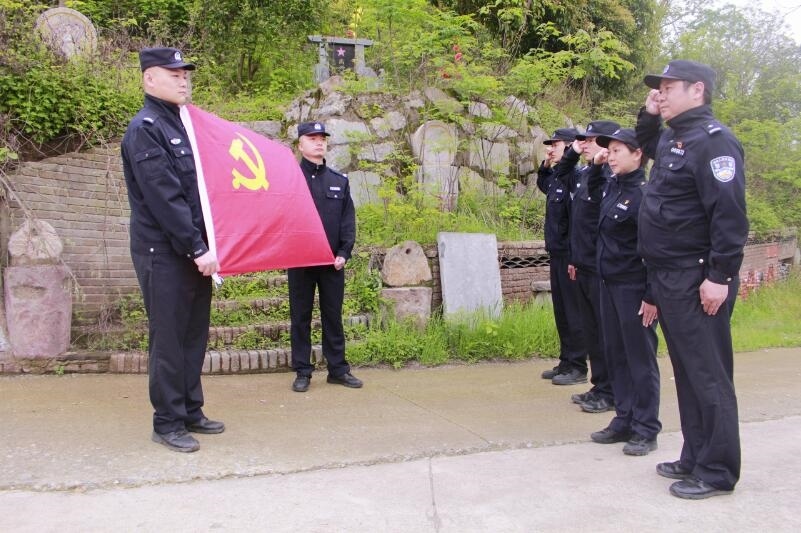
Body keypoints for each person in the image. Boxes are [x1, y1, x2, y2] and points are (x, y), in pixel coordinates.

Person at [637, 60, 748, 499]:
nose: (660, 94)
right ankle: (695, 455)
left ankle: (717, 470)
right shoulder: (675, 138)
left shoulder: (715, 143)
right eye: (658, 89)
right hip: (668, 275)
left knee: (708, 374)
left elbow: (729, 216)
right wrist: (648, 115)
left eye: (668, 88)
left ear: (697, 90)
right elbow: (647, 145)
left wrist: (720, 275)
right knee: (686, 372)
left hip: (698, 276)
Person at [121, 47, 224, 453]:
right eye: (174, 74)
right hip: (163, 251)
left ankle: (189, 410)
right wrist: (197, 246)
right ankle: (166, 422)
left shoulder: (182, 125)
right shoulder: (145, 129)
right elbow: (165, 197)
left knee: (193, 334)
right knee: (168, 337)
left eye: (185, 74)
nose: (184, 80)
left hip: (190, 250)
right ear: (150, 79)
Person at [585, 128, 661, 456]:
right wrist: (597, 166)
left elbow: (656, 249)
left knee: (640, 360)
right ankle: (624, 418)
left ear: (638, 154)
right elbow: (590, 198)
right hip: (609, 284)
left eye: (617, 151)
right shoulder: (613, 186)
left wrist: (652, 295)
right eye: (609, 150)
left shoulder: (645, 195)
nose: (611, 156)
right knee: (616, 354)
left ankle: (646, 428)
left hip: (634, 289)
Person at [289, 121, 362, 393]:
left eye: (322, 138)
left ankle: (338, 370)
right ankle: (302, 371)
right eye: (312, 138)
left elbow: (347, 220)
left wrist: (344, 252)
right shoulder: (290, 180)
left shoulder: (338, 181)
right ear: (300, 145)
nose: (319, 142)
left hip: (332, 263)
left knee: (333, 316)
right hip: (300, 262)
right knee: (301, 318)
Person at [551, 121, 618, 410]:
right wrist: (576, 259)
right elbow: (561, 176)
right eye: (582, 140)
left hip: (603, 268)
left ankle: (611, 391)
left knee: (605, 333)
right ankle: (599, 386)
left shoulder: (612, 177)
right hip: (583, 264)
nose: (585, 144)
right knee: (592, 332)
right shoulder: (587, 174)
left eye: (591, 140)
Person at [536, 128, 587, 384]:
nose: (549, 149)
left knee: (574, 312)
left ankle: (578, 366)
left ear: (569, 147)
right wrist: (546, 165)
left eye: (554, 145)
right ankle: (566, 362)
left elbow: (578, 222)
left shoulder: (575, 177)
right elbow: (544, 184)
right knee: (562, 312)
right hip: (556, 253)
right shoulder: (558, 176)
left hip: (570, 256)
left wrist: (575, 258)